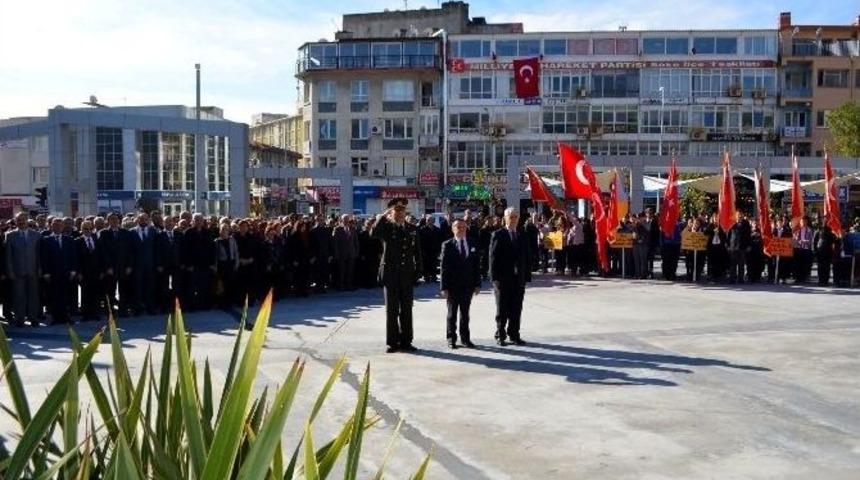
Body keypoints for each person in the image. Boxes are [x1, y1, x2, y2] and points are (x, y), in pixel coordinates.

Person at [372, 198, 423, 353]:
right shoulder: (386, 227)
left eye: (402, 211)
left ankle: (407, 340)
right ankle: (392, 342)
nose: (400, 214)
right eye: (396, 211)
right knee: (392, 310)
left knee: (407, 309)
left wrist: (417, 272)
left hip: (407, 274)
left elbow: (417, 253)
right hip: (390, 275)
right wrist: (383, 215)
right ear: (392, 213)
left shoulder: (412, 228)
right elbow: (373, 233)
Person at [489, 207, 531, 346]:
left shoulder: (522, 235)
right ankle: (500, 334)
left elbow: (526, 257)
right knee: (502, 309)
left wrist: (526, 277)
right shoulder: (498, 234)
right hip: (502, 279)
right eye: (511, 217)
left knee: (516, 308)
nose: (513, 220)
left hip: (518, 280)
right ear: (505, 218)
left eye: (515, 217)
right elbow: (493, 258)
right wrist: (494, 279)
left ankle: (514, 334)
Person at [440, 219, 482, 349]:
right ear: (453, 229)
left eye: (463, 227)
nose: (461, 229)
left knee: (465, 313)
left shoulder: (472, 243)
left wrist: (477, 284)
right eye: (458, 227)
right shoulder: (447, 245)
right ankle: (451, 338)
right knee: (452, 314)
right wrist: (444, 287)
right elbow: (444, 267)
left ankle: (465, 339)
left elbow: (476, 266)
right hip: (452, 286)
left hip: (468, 285)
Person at [5, 213, 42, 326]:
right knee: (19, 296)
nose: (21, 222)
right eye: (18, 220)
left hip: (33, 271)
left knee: (33, 296)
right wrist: (10, 272)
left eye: (23, 220)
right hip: (17, 271)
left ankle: (33, 318)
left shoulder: (36, 235)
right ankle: (20, 319)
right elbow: (8, 256)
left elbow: (39, 254)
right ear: (15, 221)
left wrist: (40, 268)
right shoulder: (10, 235)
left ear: (27, 220)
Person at [39, 218, 77, 324]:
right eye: (55, 225)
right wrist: (45, 272)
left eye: (60, 225)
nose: (58, 227)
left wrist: (73, 270)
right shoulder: (46, 240)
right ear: (51, 226)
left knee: (65, 295)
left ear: (63, 226)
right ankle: (56, 317)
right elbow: (44, 257)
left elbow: (73, 256)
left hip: (66, 272)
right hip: (52, 273)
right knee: (53, 296)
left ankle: (66, 316)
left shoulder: (69, 239)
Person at [75, 220, 102, 320]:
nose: (88, 231)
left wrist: (101, 271)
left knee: (95, 293)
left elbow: (100, 256)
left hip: (95, 271)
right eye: (86, 229)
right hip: (84, 272)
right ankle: (86, 314)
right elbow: (76, 258)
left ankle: (95, 313)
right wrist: (78, 272)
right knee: (85, 293)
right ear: (81, 229)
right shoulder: (78, 241)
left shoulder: (96, 240)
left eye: (90, 229)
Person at [332, 214, 359, 290]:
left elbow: (355, 241)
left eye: (347, 219)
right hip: (342, 254)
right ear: (342, 220)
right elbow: (336, 243)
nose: (346, 221)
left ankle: (349, 285)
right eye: (345, 219)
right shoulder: (337, 229)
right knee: (342, 271)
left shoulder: (352, 229)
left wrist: (356, 251)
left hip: (351, 254)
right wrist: (336, 254)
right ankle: (341, 285)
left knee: (350, 271)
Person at [727, 214, 751, 284]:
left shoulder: (746, 224)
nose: (739, 218)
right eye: (738, 216)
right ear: (736, 217)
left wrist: (749, 245)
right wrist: (727, 245)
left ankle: (740, 279)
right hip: (733, 247)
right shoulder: (732, 224)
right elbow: (728, 235)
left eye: (740, 217)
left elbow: (748, 235)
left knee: (741, 264)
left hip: (742, 246)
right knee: (733, 264)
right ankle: (732, 279)